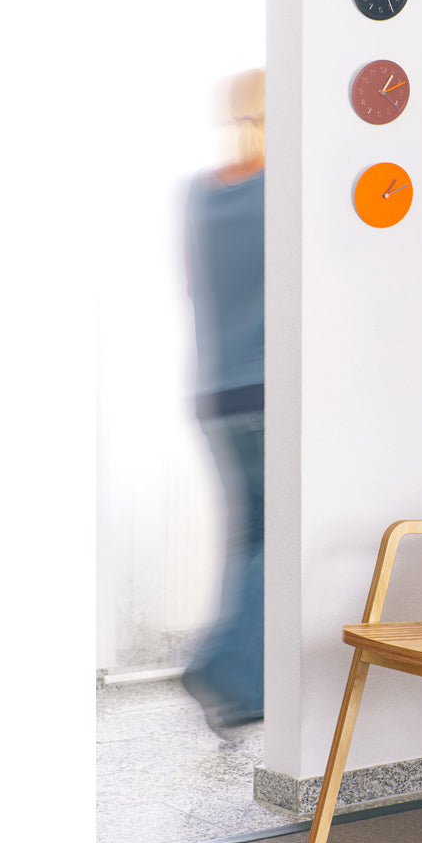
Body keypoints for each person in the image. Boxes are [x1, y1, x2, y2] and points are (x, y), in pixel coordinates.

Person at [180, 68, 265, 734]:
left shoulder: (198, 198)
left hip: (213, 389)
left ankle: (233, 675)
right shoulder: (276, 192)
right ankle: (228, 666)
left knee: (249, 534)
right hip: (267, 391)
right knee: (271, 531)